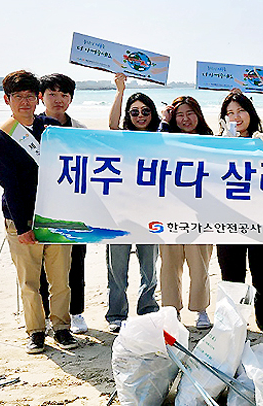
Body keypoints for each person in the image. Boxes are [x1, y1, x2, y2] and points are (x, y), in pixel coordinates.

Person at [0, 70, 77, 353]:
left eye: (29, 96)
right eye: (18, 97)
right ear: (7, 100)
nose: (24, 102)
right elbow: (10, 185)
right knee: (29, 281)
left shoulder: (51, 127)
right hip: (21, 218)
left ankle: (62, 327)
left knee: (60, 278)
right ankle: (36, 331)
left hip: (56, 215)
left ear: (38, 98)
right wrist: (22, 226)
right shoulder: (2, 138)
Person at [105, 72, 161, 332]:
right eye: (135, 112)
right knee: (117, 268)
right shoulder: (122, 137)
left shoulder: (161, 139)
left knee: (149, 267)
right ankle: (116, 313)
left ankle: (148, 308)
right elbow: (112, 125)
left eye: (145, 111)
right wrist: (120, 92)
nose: (140, 116)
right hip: (120, 213)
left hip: (151, 213)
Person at [216, 90, 263, 332]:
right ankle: (233, 323)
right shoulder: (216, 144)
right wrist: (223, 143)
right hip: (228, 221)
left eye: (241, 111)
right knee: (232, 276)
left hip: (259, 220)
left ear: (250, 112)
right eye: (230, 113)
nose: (236, 117)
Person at [37, 73, 88, 334]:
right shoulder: (31, 128)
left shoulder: (81, 130)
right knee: (42, 264)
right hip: (41, 207)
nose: (58, 99)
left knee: (75, 262)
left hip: (74, 209)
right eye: (52, 94)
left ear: (71, 99)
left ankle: (76, 312)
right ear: (41, 97)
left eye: (64, 94)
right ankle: (46, 315)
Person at [159, 96, 215, 329]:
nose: (185, 119)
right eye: (180, 115)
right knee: (169, 265)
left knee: (199, 264)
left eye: (190, 113)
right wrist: (164, 122)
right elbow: (152, 148)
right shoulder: (167, 139)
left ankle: (201, 310)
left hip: (201, 214)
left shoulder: (209, 141)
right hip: (169, 212)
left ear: (198, 114)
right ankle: (171, 310)